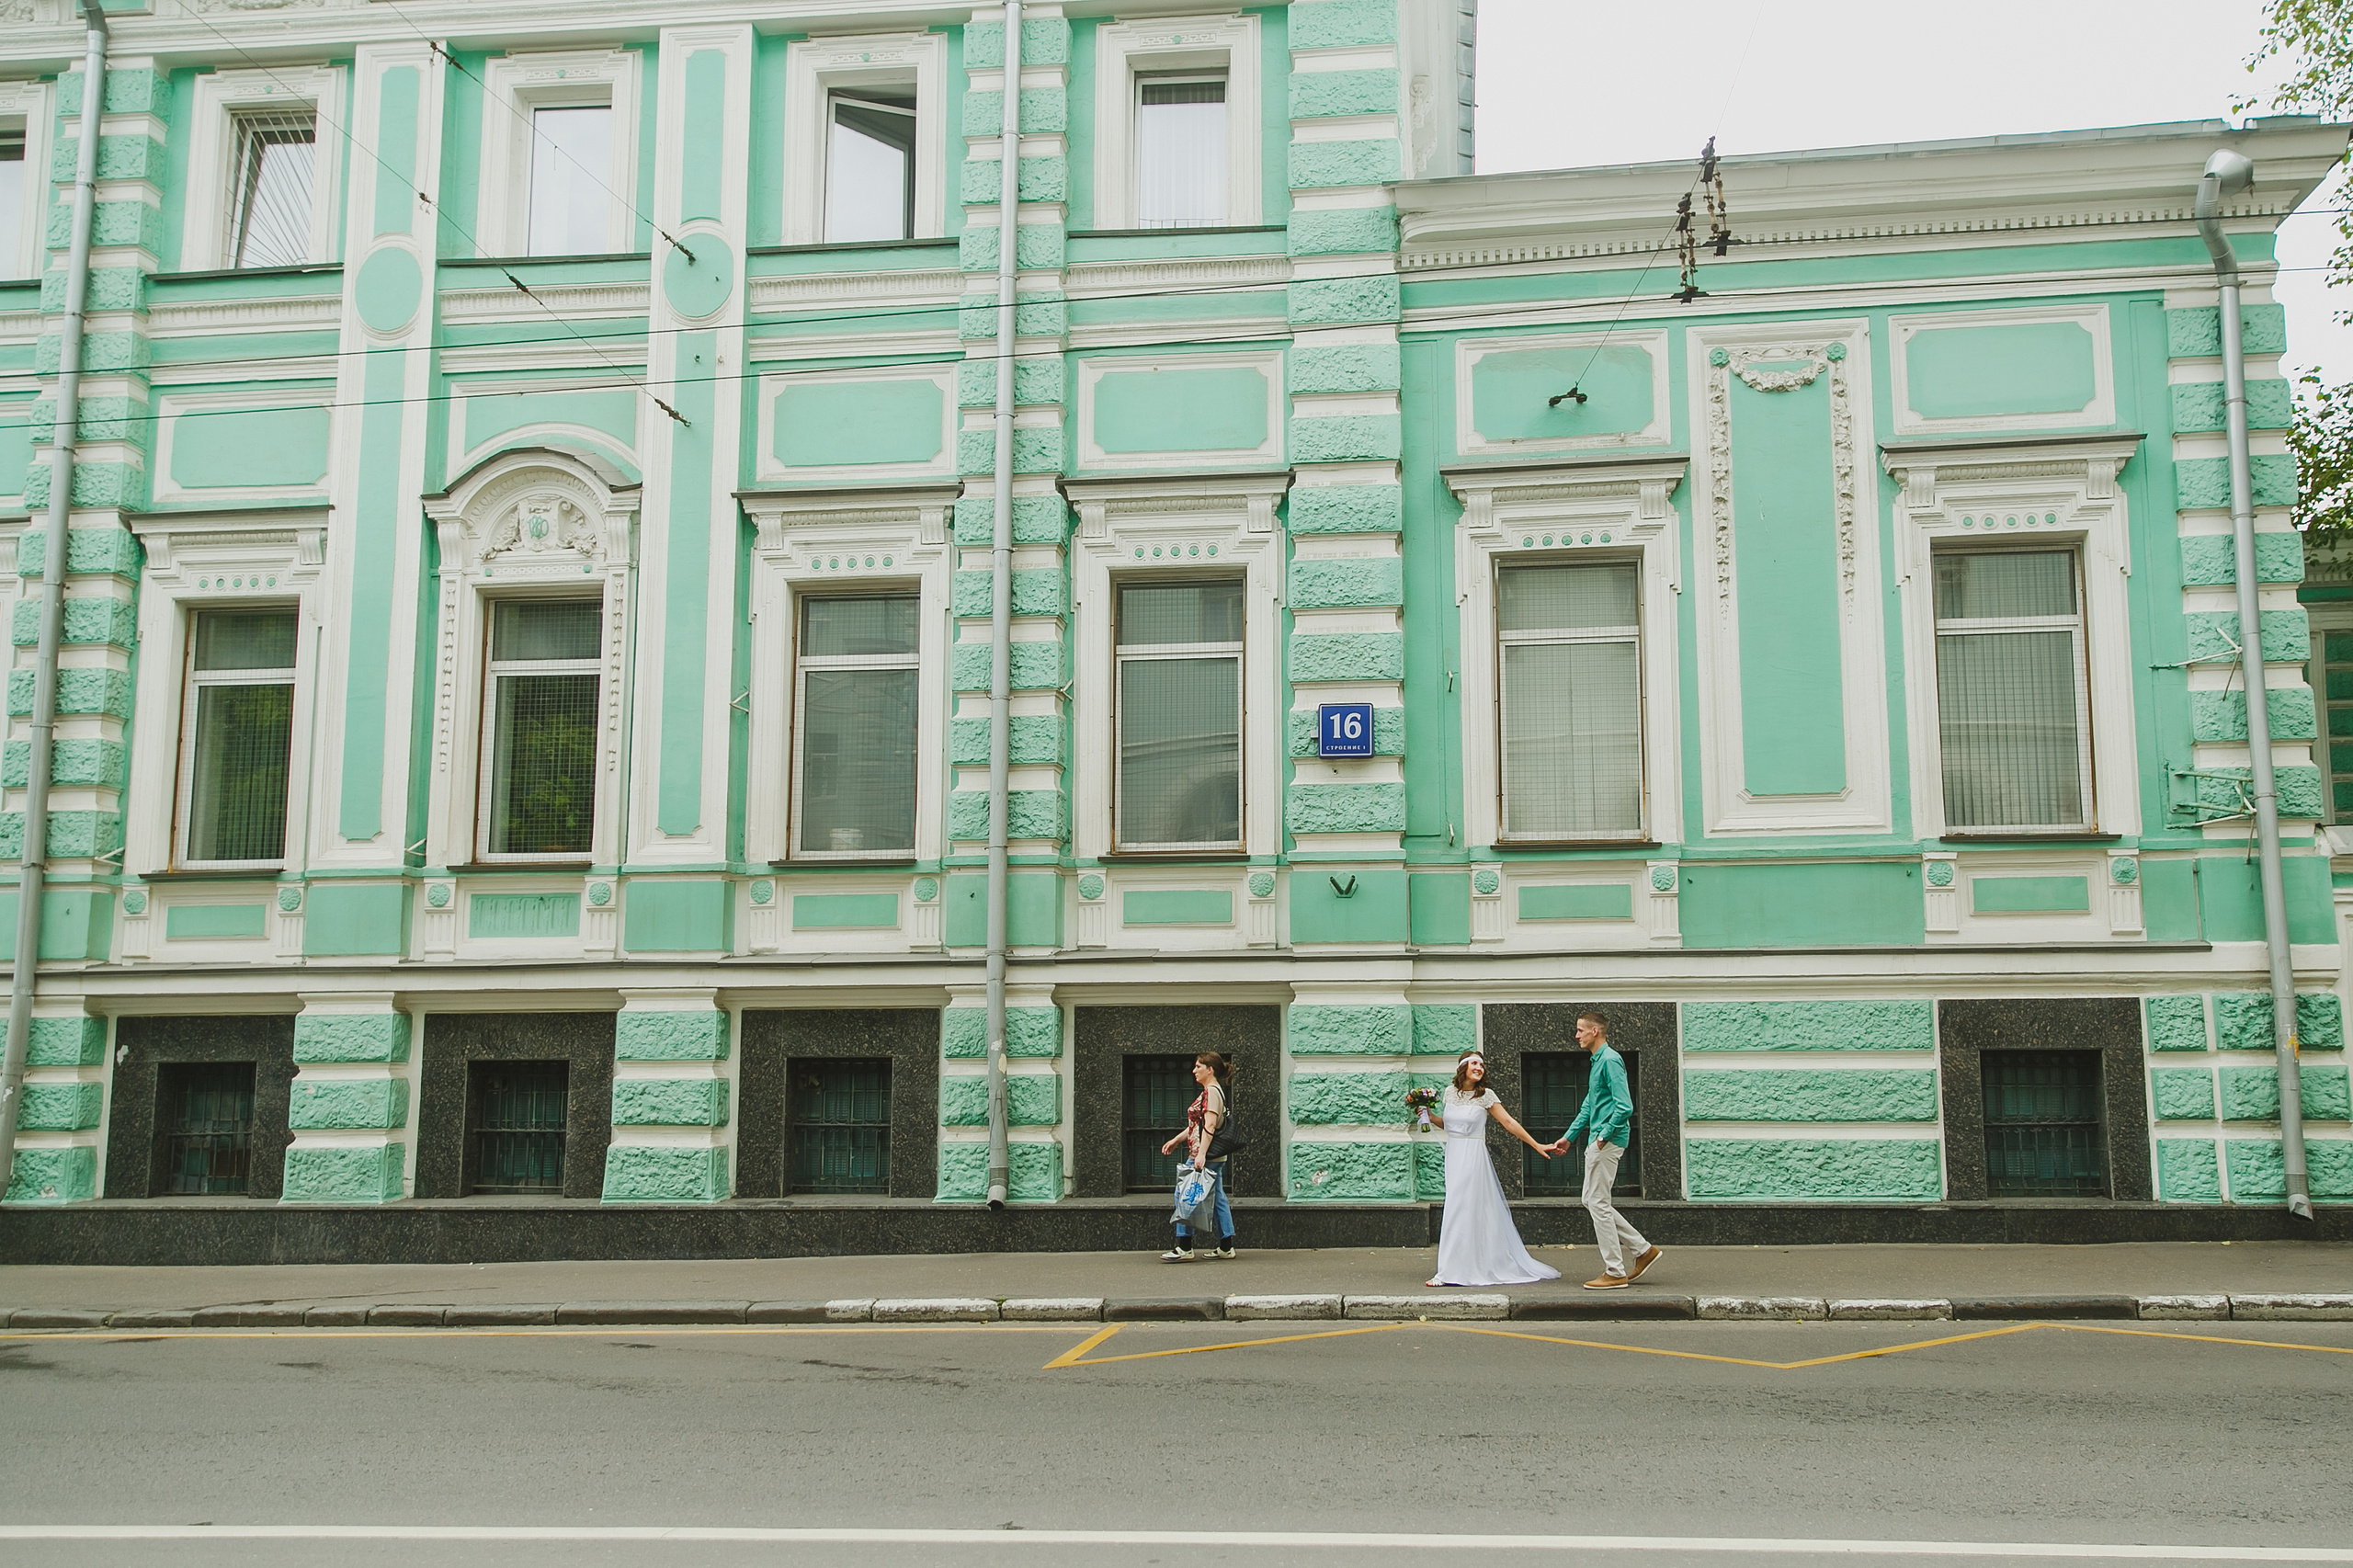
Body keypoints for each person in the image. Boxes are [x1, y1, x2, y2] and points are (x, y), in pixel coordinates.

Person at [1546, 1010, 1662, 1290]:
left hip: (1607, 1141)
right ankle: (1642, 1249)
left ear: (1594, 1031)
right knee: (1592, 1199)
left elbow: (1625, 1106)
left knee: (1597, 1202)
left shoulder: (1610, 1060)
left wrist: (1602, 1137)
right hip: (1600, 1139)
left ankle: (1615, 1270)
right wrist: (1569, 1137)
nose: (1576, 1035)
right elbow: (1590, 1104)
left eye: (1580, 1030)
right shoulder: (1598, 1061)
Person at [1424, 1050, 1562, 1288]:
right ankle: (1455, 1267)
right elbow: (1450, 1124)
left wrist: (1535, 1144)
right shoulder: (1449, 1093)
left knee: (1464, 1208)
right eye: (1475, 1063)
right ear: (1463, 1068)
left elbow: (1509, 1122)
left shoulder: (1486, 1095)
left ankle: (1451, 1271)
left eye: (1482, 1064)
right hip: (1454, 1155)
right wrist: (1428, 1115)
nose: (1480, 1067)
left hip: (1473, 1156)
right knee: (1456, 1207)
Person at [1161, 1051, 1236, 1261]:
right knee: (1218, 1199)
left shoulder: (1212, 1091)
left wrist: (1200, 1155)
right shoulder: (1211, 1091)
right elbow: (1197, 1126)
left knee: (1183, 1194)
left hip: (1204, 1155)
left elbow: (1210, 1124)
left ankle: (1184, 1247)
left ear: (1209, 1070)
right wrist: (1177, 1140)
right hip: (1210, 1155)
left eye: (1198, 1067)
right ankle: (1226, 1246)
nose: (1194, 1071)